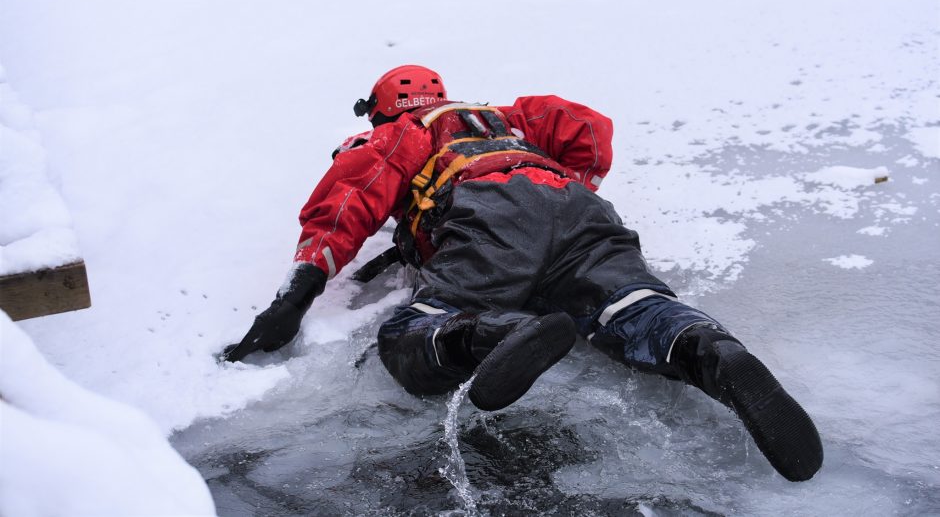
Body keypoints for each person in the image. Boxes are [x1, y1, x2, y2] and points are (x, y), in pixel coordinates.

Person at [222, 65, 823, 482]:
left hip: (486, 221)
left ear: (382, 106)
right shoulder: (506, 117)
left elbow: (347, 202)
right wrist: (568, 193)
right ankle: (706, 348)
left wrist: (292, 301)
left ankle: (491, 335)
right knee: (632, 306)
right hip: (579, 211)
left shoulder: (395, 134)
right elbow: (586, 126)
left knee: (410, 333)